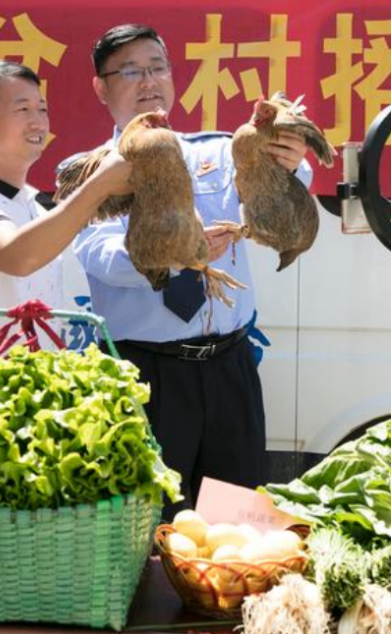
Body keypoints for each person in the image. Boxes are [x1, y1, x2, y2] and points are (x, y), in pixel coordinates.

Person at [63, 24, 313, 511]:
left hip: (230, 369)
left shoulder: (214, 152)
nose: (148, 81)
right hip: (145, 376)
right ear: (101, 88)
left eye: (157, 67)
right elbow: (99, 257)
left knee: (236, 525)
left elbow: (284, 188)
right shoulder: (91, 170)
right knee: (149, 524)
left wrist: (288, 158)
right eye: (130, 71)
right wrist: (172, 255)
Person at [0, 60, 131, 377]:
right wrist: (100, 184)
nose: (39, 122)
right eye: (23, 109)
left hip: (36, 389)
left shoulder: (36, 207)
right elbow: (18, 256)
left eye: (42, 109)